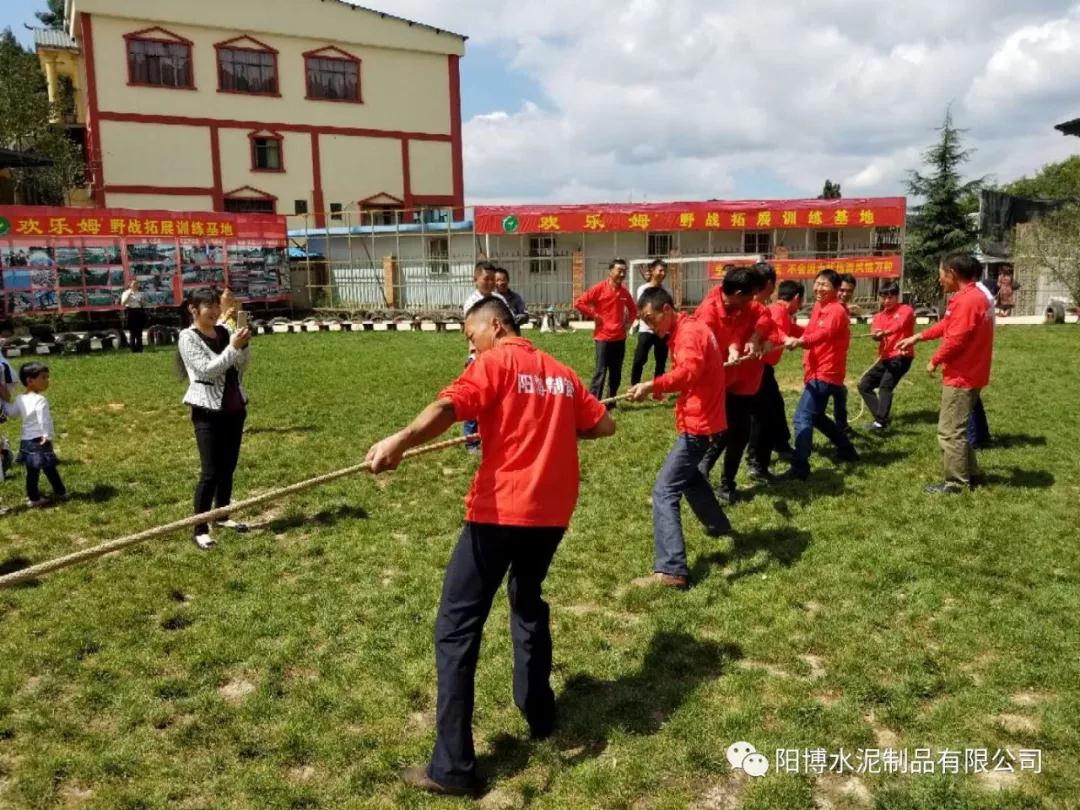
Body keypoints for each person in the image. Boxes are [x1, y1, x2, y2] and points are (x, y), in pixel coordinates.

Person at [366, 296, 615, 796]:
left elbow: (447, 406)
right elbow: (603, 425)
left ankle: (452, 769)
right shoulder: (561, 373)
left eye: (471, 337)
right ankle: (540, 714)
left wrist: (400, 440)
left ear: (495, 326)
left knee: (455, 628)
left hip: (499, 514)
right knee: (527, 601)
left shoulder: (496, 362)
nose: (471, 347)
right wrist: (551, 427)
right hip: (551, 515)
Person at [627, 287, 732, 590]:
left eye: (651, 319)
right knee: (689, 478)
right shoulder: (691, 328)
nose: (651, 326)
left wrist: (652, 385)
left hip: (700, 425)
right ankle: (719, 526)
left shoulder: (688, 334)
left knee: (664, 491)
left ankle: (672, 569)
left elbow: (689, 372)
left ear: (666, 309)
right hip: (706, 420)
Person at [897, 252, 994, 494]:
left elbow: (956, 339)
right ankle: (973, 474)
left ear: (952, 273)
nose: (939, 279)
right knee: (957, 429)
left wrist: (935, 360)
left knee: (949, 432)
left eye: (941, 274)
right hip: (972, 372)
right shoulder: (973, 297)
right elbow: (948, 325)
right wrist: (918, 337)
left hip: (962, 375)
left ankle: (956, 483)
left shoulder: (967, 301)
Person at [177, 288, 252, 549]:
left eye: (216, 305)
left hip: (234, 407)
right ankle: (199, 528)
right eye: (208, 306)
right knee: (210, 472)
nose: (215, 311)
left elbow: (241, 366)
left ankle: (222, 515)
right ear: (193, 309)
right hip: (207, 412)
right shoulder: (188, 338)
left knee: (228, 468)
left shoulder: (224, 331)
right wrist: (233, 348)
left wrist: (244, 346)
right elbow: (207, 370)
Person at [694, 266, 773, 503]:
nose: (754, 301)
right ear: (738, 293)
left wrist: (755, 339)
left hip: (742, 380)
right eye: (751, 296)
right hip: (716, 383)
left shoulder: (742, 305)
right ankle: (700, 473)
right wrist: (724, 356)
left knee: (739, 433)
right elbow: (698, 353)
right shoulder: (707, 313)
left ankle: (725, 484)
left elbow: (764, 317)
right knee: (720, 431)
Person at [782, 269, 859, 480]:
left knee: (802, 417)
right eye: (817, 283)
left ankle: (800, 467)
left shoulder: (836, 311)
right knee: (816, 416)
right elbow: (810, 332)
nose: (818, 288)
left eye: (825, 285)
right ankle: (847, 450)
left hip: (825, 372)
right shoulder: (819, 306)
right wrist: (789, 332)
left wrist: (800, 342)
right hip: (818, 371)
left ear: (836, 289)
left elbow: (822, 335)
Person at [748, 279, 804, 477]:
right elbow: (776, 330)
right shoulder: (778, 311)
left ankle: (780, 444)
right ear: (796, 298)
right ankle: (755, 460)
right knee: (761, 416)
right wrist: (785, 338)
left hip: (765, 369)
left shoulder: (782, 313)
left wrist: (819, 335)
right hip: (759, 368)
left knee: (776, 406)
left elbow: (795, 331)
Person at [574, 258, 637, 406]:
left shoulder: (624, 292)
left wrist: (629, 323)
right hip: (603, 337)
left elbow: (633, 309)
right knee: (600, 372)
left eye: (624, 271)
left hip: (619, 338)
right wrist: (594, 315)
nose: (622, 274)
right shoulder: (599, 288)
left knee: (616, 372)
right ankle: (593, 403)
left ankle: (611, 402)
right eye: (619, 271)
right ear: (610, 271)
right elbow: (579, 303)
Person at [3, 362, 67, 507]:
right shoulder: (40, 400)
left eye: (47, 377)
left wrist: (3, 402)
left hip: (26, 441)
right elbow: (43, 419)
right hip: (40, 440)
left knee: (33, 470)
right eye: (43, 377)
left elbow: (12, 413)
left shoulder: (20, 398)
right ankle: (58, 493)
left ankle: (37, 497)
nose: (47, 380)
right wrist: (47, 435)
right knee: (48, 468)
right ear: (30, 381)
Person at [462, 262, 508, 450]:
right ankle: (472, 442)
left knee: (498, 399)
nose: (490, 283)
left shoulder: (499, 299)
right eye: (486, 279)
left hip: (499, 355)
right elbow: (471, 332)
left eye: (492, 279)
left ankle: (494, 437)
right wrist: (474, 355)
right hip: (480, 356)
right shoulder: (472, 303)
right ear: (476, 279)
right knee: (475, 399)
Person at [858, 283, 915, 431]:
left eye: (890, 297)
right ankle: (882, 418)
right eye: (883, 297)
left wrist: (886, 332)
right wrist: (877, 335)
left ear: (897, 297)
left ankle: (880, 423)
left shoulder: (906, 310)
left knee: (885, 386)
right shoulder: (878, 317)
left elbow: (899, 325)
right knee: (864, 385)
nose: (887, 301)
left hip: (901, 356)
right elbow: (875, 334)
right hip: (885, 358)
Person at [630, 258, 670, 386]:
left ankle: (658, 389)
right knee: (639, 359)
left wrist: (663, 328)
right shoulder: (643, 289)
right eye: (660, 270)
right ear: (652, 271)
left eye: (665, 271)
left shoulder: (667, 291)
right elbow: (641, 311)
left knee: (661, 361)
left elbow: (669, 311)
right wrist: (653, 326)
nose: (663, 273)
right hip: (646, 330)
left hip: (662, 332)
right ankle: (635, 387)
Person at [832, 272, 858, 438]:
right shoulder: (830, 308)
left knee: (840, 393)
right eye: (842, 290)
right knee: (814, 407)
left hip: (837, 361)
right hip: (825, 364)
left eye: (849, 291)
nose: (845, 294)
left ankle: (842, 427)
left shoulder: (843, 309)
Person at [120, 278, 147, 353]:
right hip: (131, 311)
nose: (136, 285)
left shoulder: (140, 293)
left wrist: (142, 302)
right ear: (130, 285)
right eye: (134, 284)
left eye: (137, 284)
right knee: (132, 332)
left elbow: (144, 304)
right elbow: (123, 303)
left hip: (139, 311)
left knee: (139, 331)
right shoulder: (126, 293)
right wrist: (129, 296)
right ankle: (133, 348)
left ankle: (140, 348)